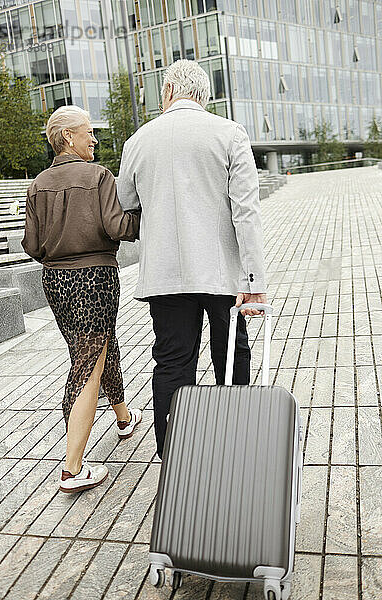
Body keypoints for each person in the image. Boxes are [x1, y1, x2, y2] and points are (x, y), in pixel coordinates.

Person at [117, 60, 267, 459]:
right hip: (221, 275)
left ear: (167, 92)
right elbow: (246, 212)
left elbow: (125, 204)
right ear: (203, 95)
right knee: (231, 355)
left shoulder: (139, 141)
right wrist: (254, 282)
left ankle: (175, 456)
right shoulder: (229, 133)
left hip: (164, 276)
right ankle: (235, 447)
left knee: (172, 364)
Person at [22, 105, 142, 492]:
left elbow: (31, 244)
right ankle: (72, 468)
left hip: (55, 280)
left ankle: (123, 418)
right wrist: (143, 216)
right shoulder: (98, 176)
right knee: (88, 362)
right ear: (68, 137)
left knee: (95, 347)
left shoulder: (38, 184)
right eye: (88, 132)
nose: (94, 139)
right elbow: (117, 226)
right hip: (94, 277)